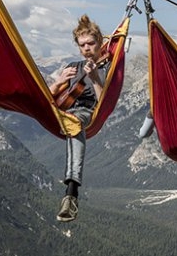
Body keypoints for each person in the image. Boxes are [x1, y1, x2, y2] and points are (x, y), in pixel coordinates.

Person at [49, 14, 108, 222]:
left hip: (85, 113)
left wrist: (95, 79)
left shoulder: (107, 67)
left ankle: (71, 192)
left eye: (90, 43)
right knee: (68, 119)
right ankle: (71, 193)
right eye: (82, 45)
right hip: (63, 111)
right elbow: (49, 97)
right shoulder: (73, 66)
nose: (86, 48)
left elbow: (105, 103)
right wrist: (59, 82)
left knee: (74, 122)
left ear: (99, 43)